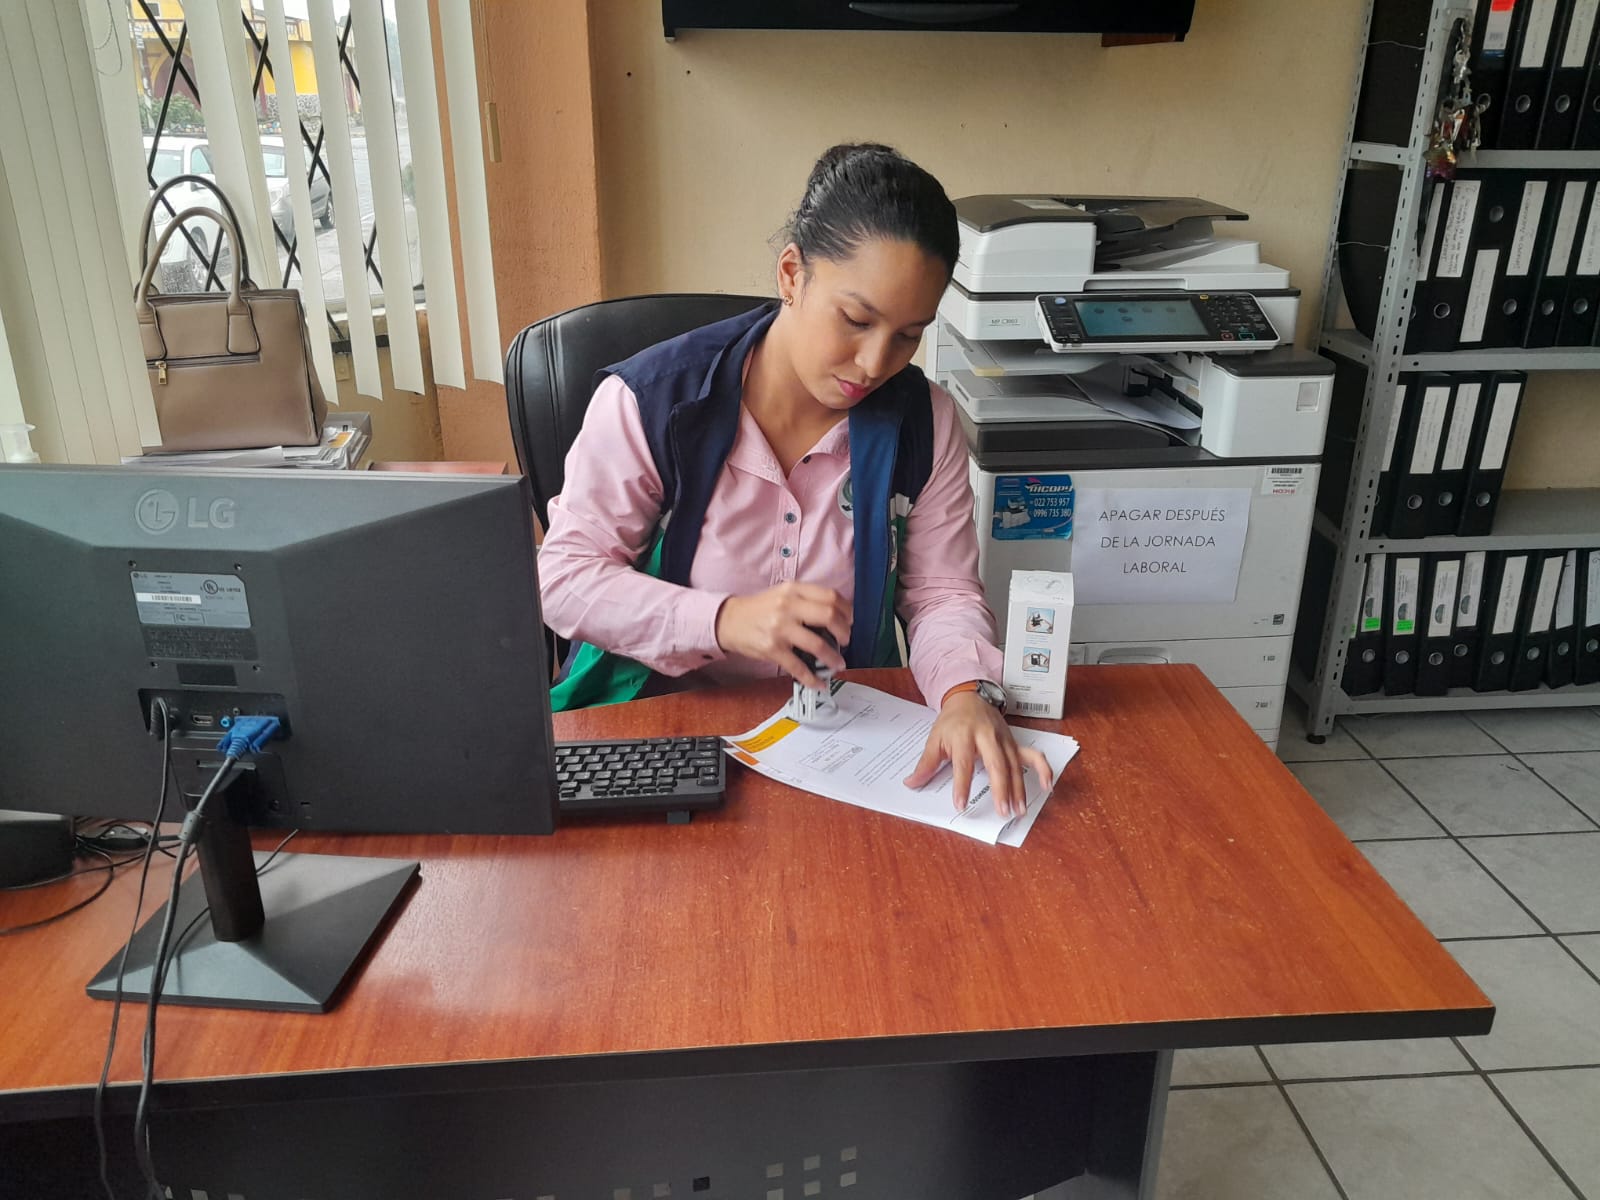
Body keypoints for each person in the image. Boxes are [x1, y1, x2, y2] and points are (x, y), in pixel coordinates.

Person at [539, 143, 1051, 817]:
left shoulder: (922, 422)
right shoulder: (654, 402)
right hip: (665, 732)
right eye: (856, 320)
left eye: (908, 335)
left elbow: (942, 593)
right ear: (791, 275)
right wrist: (724, 620)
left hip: (846, 744)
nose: (875, 363)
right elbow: (564, 578)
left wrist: (964, 694)